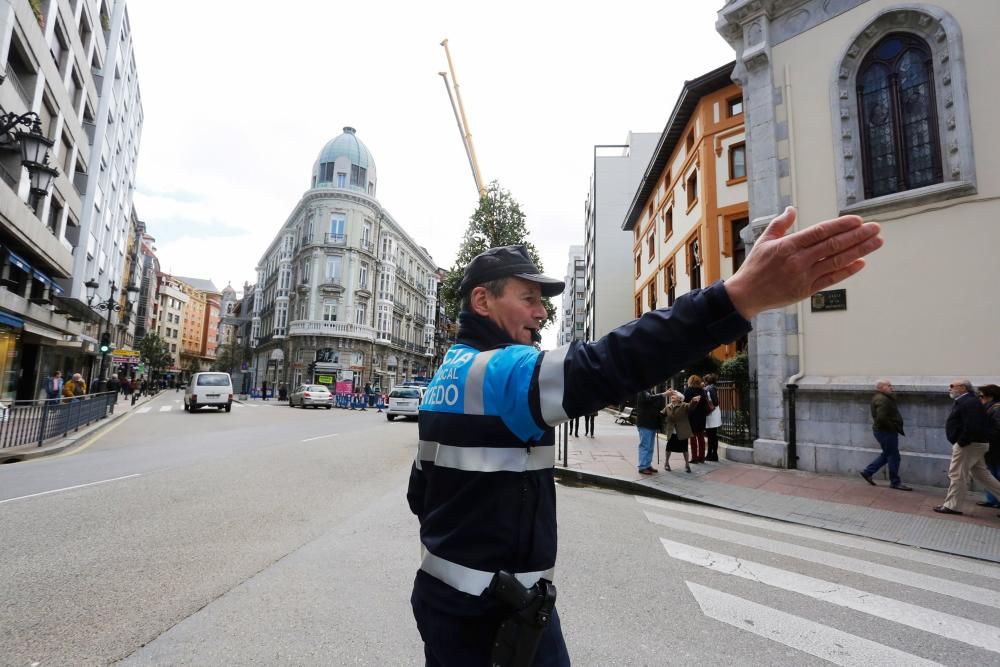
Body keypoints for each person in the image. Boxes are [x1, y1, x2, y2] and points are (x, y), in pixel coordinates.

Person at [407, 206, 882, 665]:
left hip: (447, 604)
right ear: (482, 301)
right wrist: (734, 298)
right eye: (527, 299)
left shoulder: (448, 376)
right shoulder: (500, 370)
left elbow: (420, 493)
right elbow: (609, 363)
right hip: (496, 618)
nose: (540, 312)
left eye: (543, 301)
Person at [933, 379, 1000, 515]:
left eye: (952, 386)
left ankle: (952, 506)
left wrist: (961, 442)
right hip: (974, 444)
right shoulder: (968, 401)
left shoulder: (969, 402)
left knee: (957, 474)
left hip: (969, 444)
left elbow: (973, 425)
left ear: (963, 388)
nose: (949, 388)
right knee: (982, 475)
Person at [859, 379, 912, 490]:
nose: (891, 387)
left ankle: (868, 472)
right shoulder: (882, 399)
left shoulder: (883, 397)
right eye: (889, 385)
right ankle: (895, 482)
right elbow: (881, 418)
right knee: (894, 456)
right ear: (881, 387)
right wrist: (893, 427)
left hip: (884, 431)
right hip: (886, 432)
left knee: (888, 454)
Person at [975, 384, 1000, 509]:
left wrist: (983, 435)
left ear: (991, 396)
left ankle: (995, 500)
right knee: (990, 473)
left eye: (982, 396)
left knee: (996, 473)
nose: (980, 399)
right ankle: (992, 499)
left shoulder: (996, 409)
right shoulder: (989, 408)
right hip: (991, 447)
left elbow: (997, 429)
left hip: (996, 447)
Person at [635, 387, 666, 474]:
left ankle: (647, 464)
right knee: (645, 445)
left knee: (650, 446)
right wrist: (663, 394)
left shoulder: (650, 391)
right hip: (645, 423)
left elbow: (653, 402)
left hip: (651, 423)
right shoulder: (642, 390)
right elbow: (648, 399)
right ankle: (642, 466)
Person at [661, 390, 694, 473]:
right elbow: (661, 414)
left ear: (680, 398)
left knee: (684, 449)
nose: (672, 396)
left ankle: (687, 465)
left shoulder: (684, 405)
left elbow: (691, 406)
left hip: (682, 432)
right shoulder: (668, 406)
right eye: (672, 395)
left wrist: (693, 401)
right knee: (668, 448)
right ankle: (666, 463)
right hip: (672, 432)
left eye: (674, 395)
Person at [683, 375, 709, 463]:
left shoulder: (688, 391)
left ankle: (694, 458)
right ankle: (701, 457)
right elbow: (705, 404)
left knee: (693, 437)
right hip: (701, 416)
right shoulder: (702, 391)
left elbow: (685, 403)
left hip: (692, 416)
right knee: (701, 437)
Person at [703, 373, 722, 461]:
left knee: (711, 435)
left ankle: (711, 454)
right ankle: (713, 454)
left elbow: (715, 402)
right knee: (713, 435)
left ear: (707, 381)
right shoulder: (714, 387)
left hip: (711, 414)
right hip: (715, 413)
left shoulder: (708, 388)